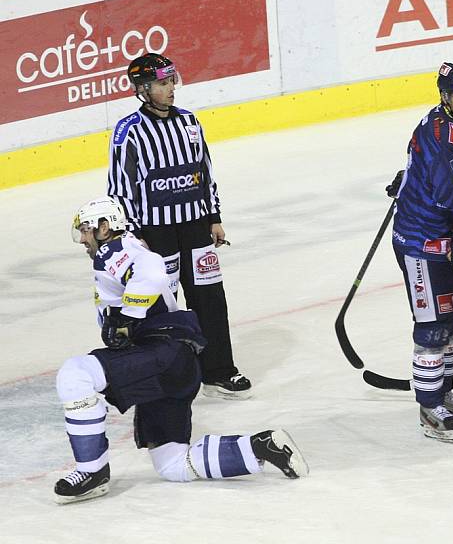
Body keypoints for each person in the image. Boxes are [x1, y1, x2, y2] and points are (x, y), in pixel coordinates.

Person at [54, 197, 308, 504]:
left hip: (163, 351)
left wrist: (125, 318)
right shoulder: (120, 252)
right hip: (173, 362)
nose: (82, 239)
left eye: (85, 230)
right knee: (173, 464)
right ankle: (260, 447)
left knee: (75, 374)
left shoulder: (116, 249)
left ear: (104, 228)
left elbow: (154, 272)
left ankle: (92, 472)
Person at [107, 53, 251, 399]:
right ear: (143, 89)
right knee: (162, 305)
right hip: (155, 234)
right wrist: (133, 235)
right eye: (161, 83)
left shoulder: (189, 122)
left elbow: (205, 172)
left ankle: (219, 369)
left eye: (171, 81)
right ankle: (167, 372)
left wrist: (213, 217)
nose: (170, 88)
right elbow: (120, 187)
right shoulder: (129, 132)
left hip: (196, 226)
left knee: (210, 297)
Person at [391, 60, 453, 441]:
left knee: (450, 320)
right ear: (445, 97)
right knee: (432, 325)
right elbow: (451, 194)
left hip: (447, 241)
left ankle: (442, 393)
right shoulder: (442, 134)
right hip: (422, 241)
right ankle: (429, 406)